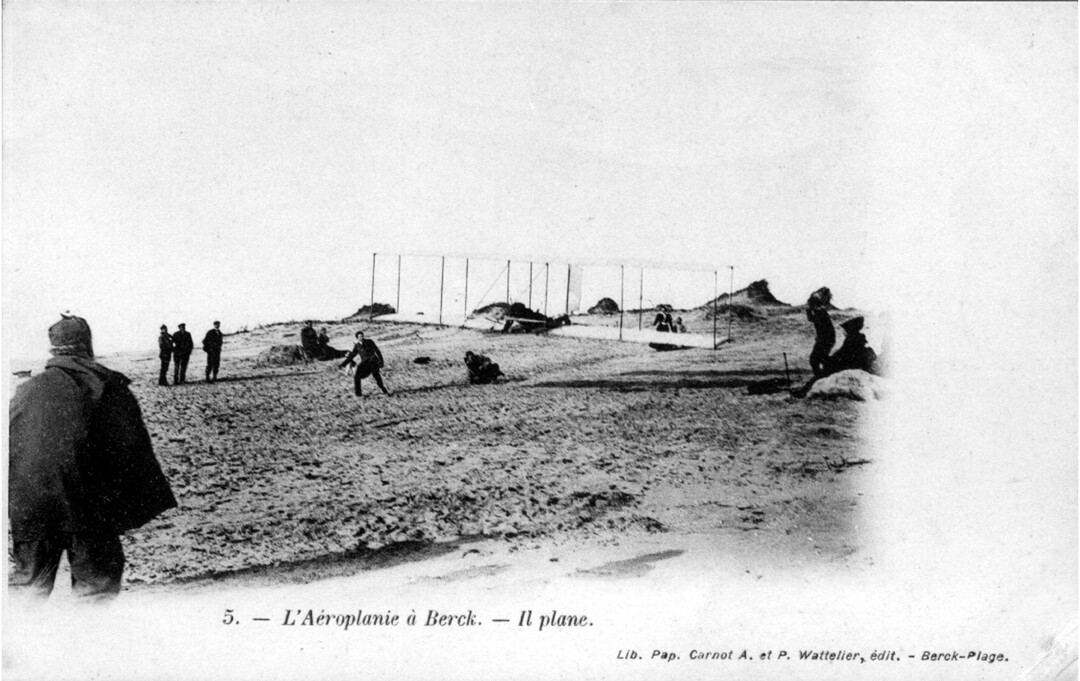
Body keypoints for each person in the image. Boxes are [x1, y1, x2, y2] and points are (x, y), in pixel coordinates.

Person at [9, 314, 177, 600]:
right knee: (95, 590)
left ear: (54, 348)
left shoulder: (24, 392)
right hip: (87, 505)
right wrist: (130, 509)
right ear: (87, 345)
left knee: (27, 590)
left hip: (30, 505)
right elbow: (132, 451)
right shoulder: (107, 387)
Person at [338, 330, 390, 397]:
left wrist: (381, 361)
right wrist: (342, 364)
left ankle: (384, 391)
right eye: (359, 336)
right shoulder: (357, 346)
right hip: (365, 364)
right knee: (357, 376)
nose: (361, 337)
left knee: (376, 376)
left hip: (373, 361)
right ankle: (358, 395)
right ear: (357, 338)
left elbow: (377, 351)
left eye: (362, 336)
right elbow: (351, 356)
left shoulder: (369, 342)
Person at [806, 287, 835, 378]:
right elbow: (812, 319)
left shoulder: (819, 311)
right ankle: (824, 376)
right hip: (826, 339)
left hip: (825, 339)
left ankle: (820, 378)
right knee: (821, 359)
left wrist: (808, 311)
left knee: (814, 360)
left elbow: (814, 320)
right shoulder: (819, 311)